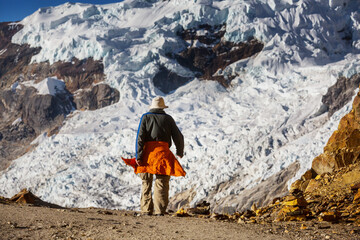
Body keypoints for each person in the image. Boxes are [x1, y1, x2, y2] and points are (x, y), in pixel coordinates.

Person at [135, 96, 185, 216]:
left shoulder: (145, 117)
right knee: (162, 182)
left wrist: (139, 155)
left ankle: (146, 210)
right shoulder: (168, 119)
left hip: (148, 154)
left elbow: (140, 138)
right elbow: (179, 136)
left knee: (146, 182)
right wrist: (179, 151)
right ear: (162, 107)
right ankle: (160, 211)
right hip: (163, 154)